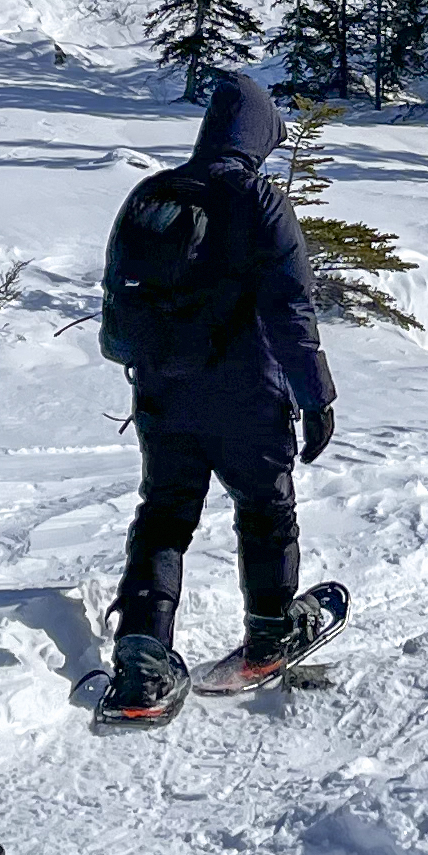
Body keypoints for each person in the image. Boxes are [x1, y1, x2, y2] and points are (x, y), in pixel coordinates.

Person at [95, 74, 337, 718]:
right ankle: (268, 635)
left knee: (164, 517)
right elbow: (291, 310)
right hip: (247, 398)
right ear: (258, 135)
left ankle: (142, 659)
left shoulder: (152, 192)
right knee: (265, 511)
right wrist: (316, 398)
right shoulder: (258, 199)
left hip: (162, 394)